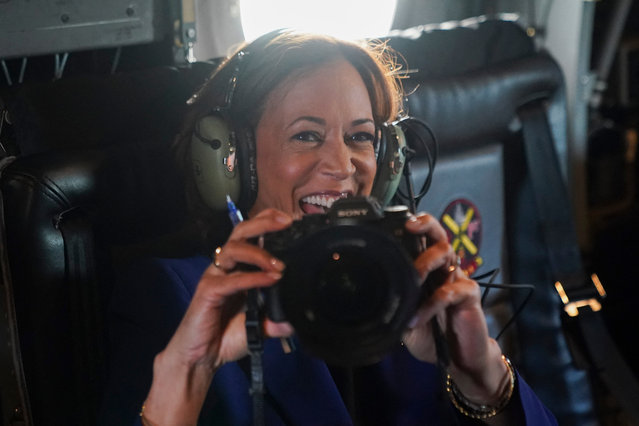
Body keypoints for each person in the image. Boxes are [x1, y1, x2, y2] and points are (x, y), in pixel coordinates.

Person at [100, 30, 558, 425]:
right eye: (305, 135)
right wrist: (188, 376)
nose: (343, 166)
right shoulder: (175, 296)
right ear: (230, 161)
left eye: (360, 137)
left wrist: (481, 375)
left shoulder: (408, 284)